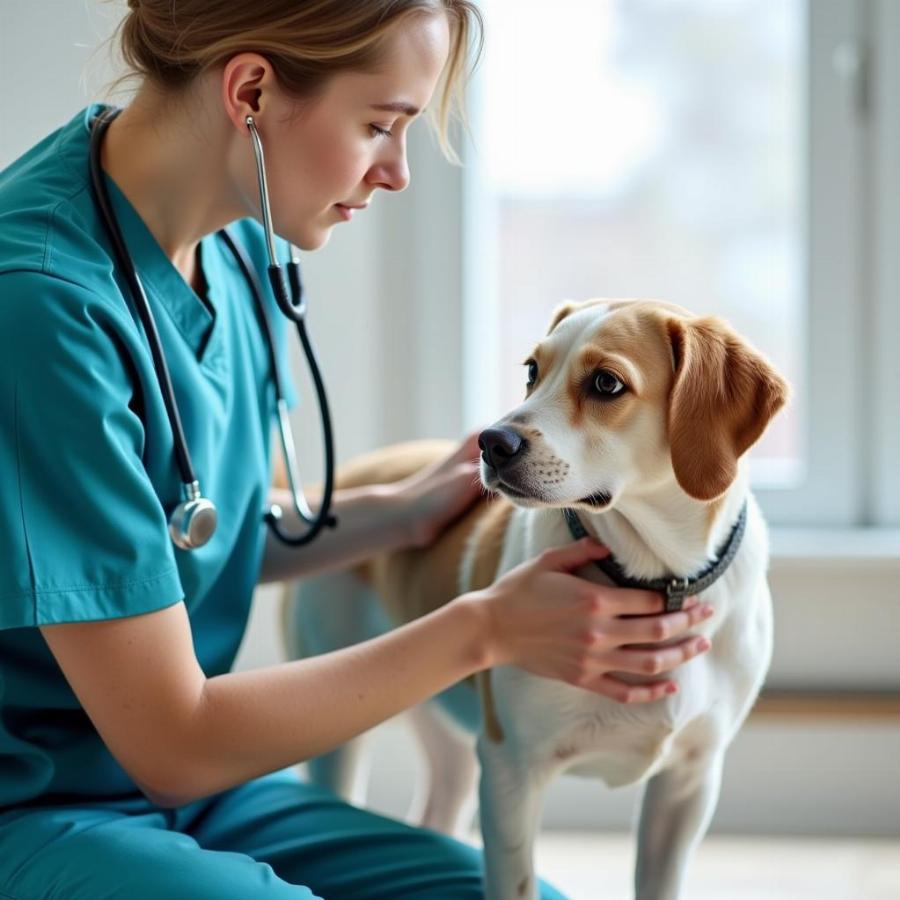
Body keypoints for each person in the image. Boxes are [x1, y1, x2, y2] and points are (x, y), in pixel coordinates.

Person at [0, 2, 715, 897]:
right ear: (252, 91)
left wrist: (403, 512)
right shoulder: (40, 307)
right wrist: (485, 628)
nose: (399, 173)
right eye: (382, 124)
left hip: (182, 790)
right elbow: (174, 740)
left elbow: (173, 537)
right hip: (42, 801)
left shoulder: (230, 248)